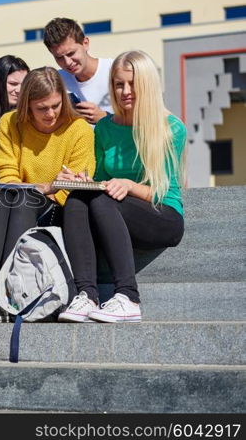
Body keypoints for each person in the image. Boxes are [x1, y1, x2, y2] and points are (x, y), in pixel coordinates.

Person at [58, 50, 186, 323]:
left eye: (132, 83)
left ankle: (128, 297)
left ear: (147, 85)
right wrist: (86, 182)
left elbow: (164, 191)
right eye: (118, 84)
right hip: (116, 211)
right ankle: (86, 296)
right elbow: (104, 180)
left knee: (103, 200)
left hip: (162, 215)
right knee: (78, 198)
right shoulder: (104, 128)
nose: (125, 91)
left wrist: (128, 184)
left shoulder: (171, 128)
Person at [0, 67, 96, 322]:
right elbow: (6, 177)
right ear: (27, 105)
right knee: (4, 197)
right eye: (42, 108)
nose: (51, 114)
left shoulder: (79, 129)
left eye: (56, 105)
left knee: (21, 199)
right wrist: (47, 185)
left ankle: (3, 293)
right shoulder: (10, 122)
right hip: (19, 202)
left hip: (59, 211)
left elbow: (75, 186)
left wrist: (47, 189)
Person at [43, 17, 114, 125]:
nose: (67, 62)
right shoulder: (56, 80)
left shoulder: (115, 70)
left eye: (71, 53)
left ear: (85, 43)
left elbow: (143, 115)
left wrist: (106, 118)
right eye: (59, 57)